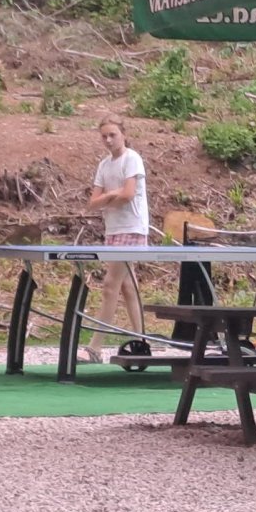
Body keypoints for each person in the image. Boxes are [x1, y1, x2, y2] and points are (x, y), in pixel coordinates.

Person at [80, 117, 149, 363]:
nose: (108, 140)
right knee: (127, 286)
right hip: (113, 229)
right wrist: (112, 195)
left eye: (113, 135)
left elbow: (128, 194)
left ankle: (95, 348)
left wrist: (110, 198)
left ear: (123, 134)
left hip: (132, 227)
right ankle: (142, 342)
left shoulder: (132, 159)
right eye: (104, 136)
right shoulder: (104, 165)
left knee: (110, 286)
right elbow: (93, 203)